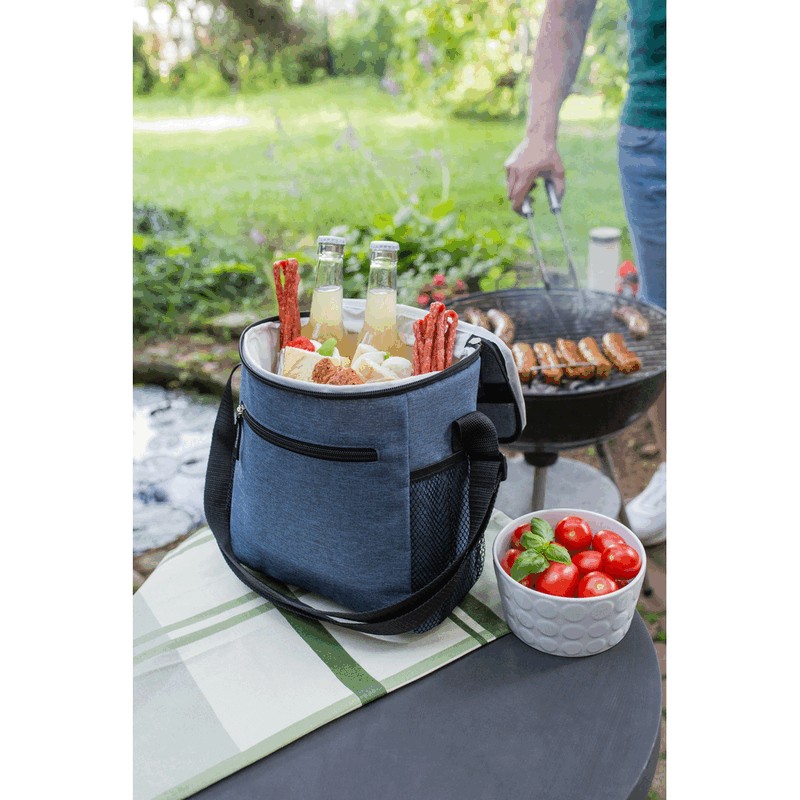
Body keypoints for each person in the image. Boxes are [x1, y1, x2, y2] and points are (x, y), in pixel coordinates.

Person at [505, 0, 666, 545]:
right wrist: (539, 132)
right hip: (657, 127)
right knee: (665, 313)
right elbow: (568, 9)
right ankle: (678, 468)